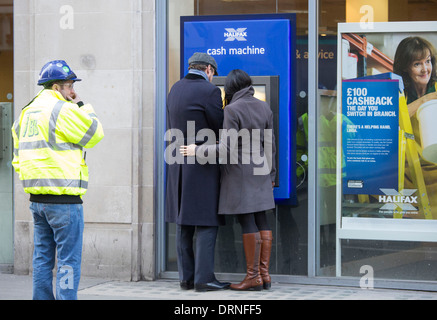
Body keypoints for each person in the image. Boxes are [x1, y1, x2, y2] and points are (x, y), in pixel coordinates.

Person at [11, 60, 104, 300]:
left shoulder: (25, 112)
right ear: (56, 88)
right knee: (68, 261)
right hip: (64, 201)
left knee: (42, 259)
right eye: (69, 86)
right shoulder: (62, 109)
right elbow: (94, 134)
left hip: (37, 200)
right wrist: (84, 106)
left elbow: (17, 157)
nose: (72, 92)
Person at [181, 69, 276, 291]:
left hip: (240, 173)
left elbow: (226, 149)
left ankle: (252, 277)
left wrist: (198, 149)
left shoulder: (232, 110)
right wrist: (272, 175)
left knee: (247, 220)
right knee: (261, 218)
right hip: (262, 170)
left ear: (231, 87)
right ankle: (264, 275)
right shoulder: (264, 107)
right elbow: (271, 145)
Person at [165, 52, 230, 292]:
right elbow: (219, 126)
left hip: (177, 164)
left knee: (183, 222)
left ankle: (186, 278)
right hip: (201, 163)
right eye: (214, 74)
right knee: (205, 221)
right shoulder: (210, 91)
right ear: (209, 70)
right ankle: (205, 279)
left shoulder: (175, 89)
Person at [394, 36, 437, 219]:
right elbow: (393, 118)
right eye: (417, 64)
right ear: (405, 67)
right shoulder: (400, 94)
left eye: (428, 61)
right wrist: (425, 100)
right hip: (410, 170)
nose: (425, 69)